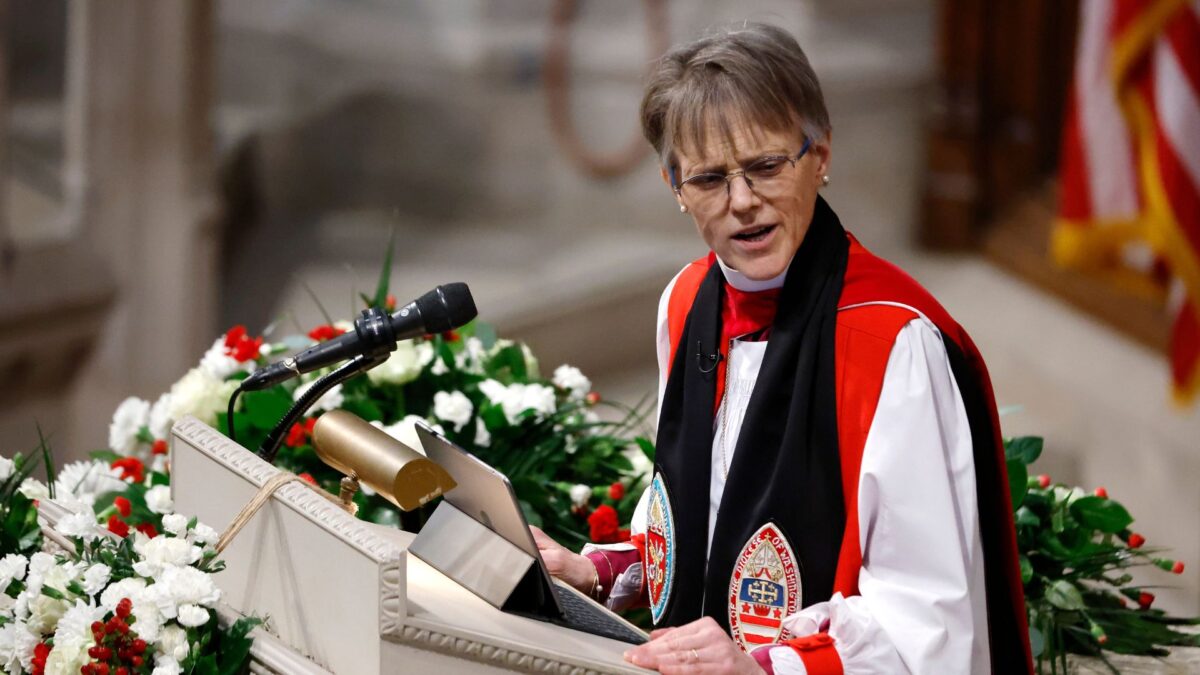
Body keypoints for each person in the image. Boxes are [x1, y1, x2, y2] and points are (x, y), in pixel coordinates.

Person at [533, 22, 1032, 674]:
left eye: (766, 166)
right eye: (709, 179)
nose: (742, 202)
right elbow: (708, 534)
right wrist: (597, 569)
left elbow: (929, 626)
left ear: (820, 154)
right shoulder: (686, 302)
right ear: (674, 187)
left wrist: (761, 666)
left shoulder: (893, 345)